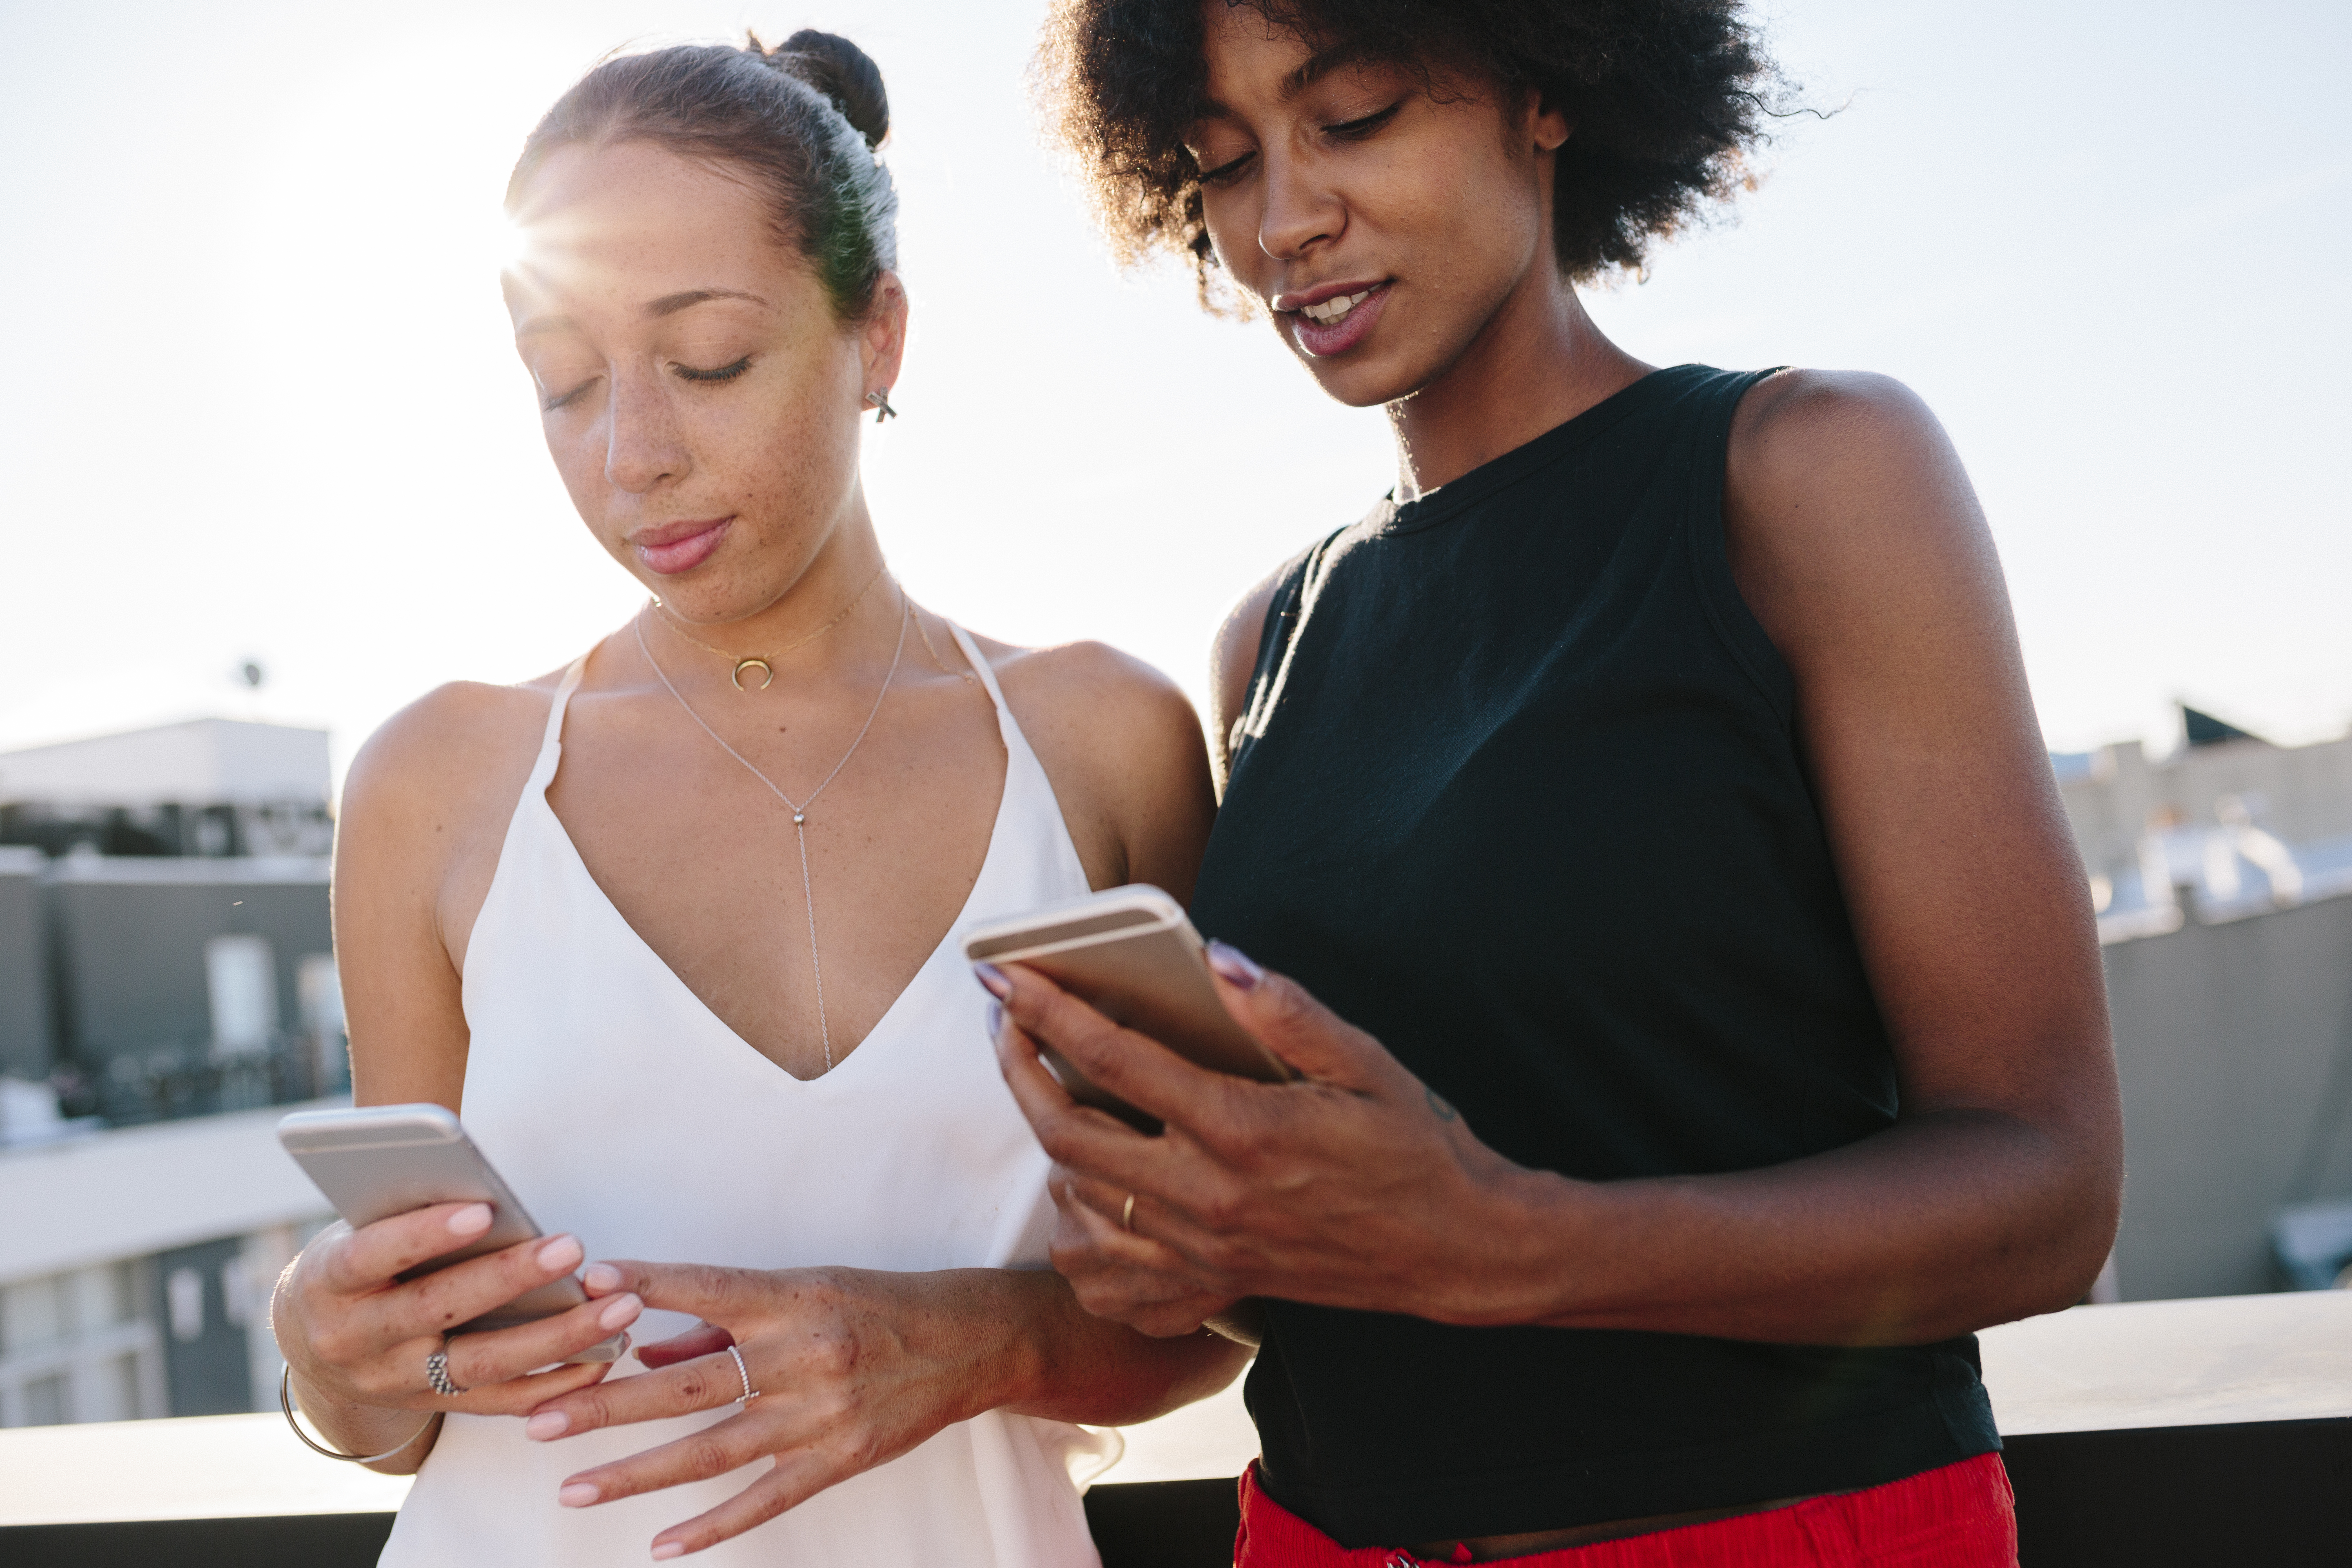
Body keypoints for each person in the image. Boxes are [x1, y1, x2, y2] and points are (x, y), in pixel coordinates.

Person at [987, 3, 2123, 1564]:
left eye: (1359, 116)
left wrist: (1512, 1243)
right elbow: (1359, 1245)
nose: (1283, 220)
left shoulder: (1806, 473)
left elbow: (2049, 1190)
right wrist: (1196, 1251)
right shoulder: (1272, 634)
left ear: (1547, 91)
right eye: (1224, 162)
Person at [268, 31, 1246, 1566]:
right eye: (563, 386)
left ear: (881, 336)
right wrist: (328, 1359)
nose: (632, 456)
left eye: (709, 359)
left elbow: (1219, 1302)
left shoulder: (1104, 741)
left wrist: (987, 1340)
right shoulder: (438, 784)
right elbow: (406, 1400)